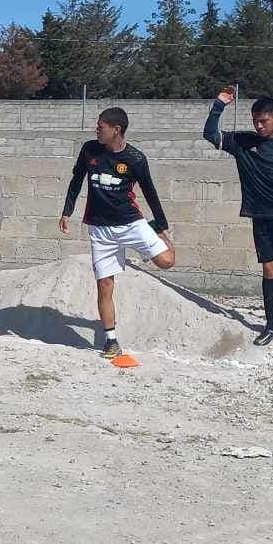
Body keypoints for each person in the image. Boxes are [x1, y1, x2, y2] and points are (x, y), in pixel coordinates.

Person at [58, 106, 177, 359]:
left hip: (131, 223)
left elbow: (150, 192)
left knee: (167, 261)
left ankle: (156, 237)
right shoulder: (89, 149)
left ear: (116, 130)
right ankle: (111, 341)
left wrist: (161, 225)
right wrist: (67, 211)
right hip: (100, 230)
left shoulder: (136, 159)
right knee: (104, 286)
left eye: (101, 126)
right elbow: (77, 179)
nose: (96, 129)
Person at [204, 88, 273, 346]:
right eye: (255, 121)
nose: (259, 125)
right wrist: (219, 105)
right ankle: (272, 325)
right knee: (268, 269)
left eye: (264, 121)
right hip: (262, 217)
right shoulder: (243, 142)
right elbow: (210, 134)